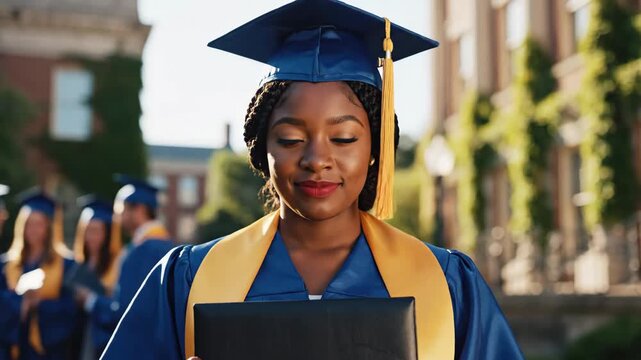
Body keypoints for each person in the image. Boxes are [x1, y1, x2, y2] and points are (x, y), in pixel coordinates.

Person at [101, 1, 523, 359]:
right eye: (290, 138)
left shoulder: (448, 283)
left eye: (343, 137)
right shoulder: (187, 279)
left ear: (377, 148)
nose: (317, 159)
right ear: (261, 149)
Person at [74, 175, 174, 354]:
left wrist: (91, 300)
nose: (116, 216)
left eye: (120, 209)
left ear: (139, 209)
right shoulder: (169, 247)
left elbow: (124, 312)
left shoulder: (137, 253)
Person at [0, 190, 77, 359]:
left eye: (39, 224)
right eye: (29, 223)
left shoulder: (66, 265)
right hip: (14, 347)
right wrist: (20, 303)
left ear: (49, 227)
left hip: (50, 350)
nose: (33, 230)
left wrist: (39, 304)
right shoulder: (6, 264)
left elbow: (71, 309)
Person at [67, 196, 120, 359]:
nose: (91, 237)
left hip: (103, 341)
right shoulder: (77, 265)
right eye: (88, 230)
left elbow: (119, 310)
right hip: (77, 339)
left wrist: (90, 299)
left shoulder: (118, 265)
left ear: (108, 233)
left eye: (97, 231)